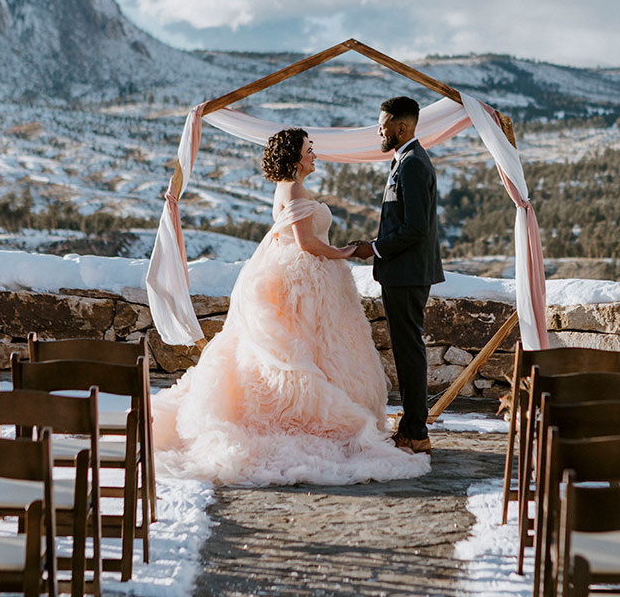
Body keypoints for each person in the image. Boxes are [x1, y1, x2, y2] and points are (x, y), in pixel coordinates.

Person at [152, 127, 430, 485]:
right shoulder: (295, 188)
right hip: (305, 282)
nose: (314, 153)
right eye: (308, 149)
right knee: (308, 352)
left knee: (316, 351)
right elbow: (306, 242)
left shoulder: (287, 186)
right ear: (296, 158)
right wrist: (343, 252)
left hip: (306, 280)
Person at [351, 97, 444, 455]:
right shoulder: (405, 161)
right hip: (401, 273)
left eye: (383, 124)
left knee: (409, 353)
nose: (379, 129)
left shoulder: (413, 165)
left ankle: (416, 433)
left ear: (401, 128)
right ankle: (410, 427)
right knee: (407, 352)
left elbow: (416, 228)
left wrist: (373, 248)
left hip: (406, 274)